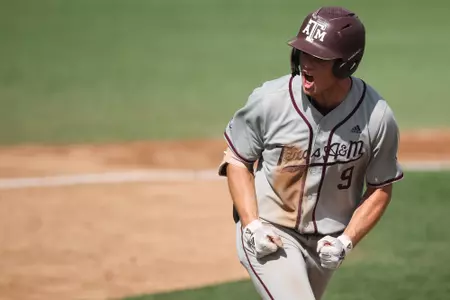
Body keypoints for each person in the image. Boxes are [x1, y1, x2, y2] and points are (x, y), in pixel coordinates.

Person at [217, 6, 404, 300]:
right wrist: (252, 225)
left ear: (345, 64)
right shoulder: (270, 102)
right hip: (270, 232)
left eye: (319, 57)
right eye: (304, 53)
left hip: (326, 246)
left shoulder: (376, 117)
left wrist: (347, 241)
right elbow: (238, 159)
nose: (307, 63)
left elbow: (381, 187)